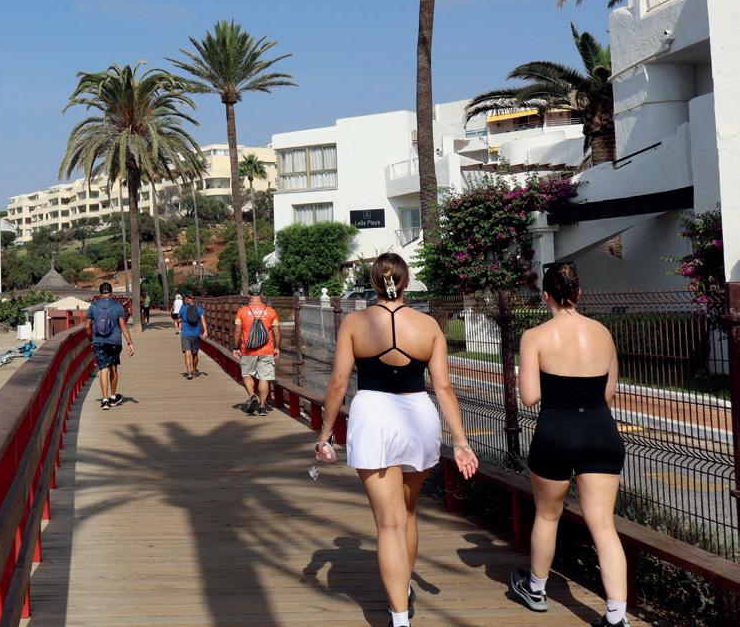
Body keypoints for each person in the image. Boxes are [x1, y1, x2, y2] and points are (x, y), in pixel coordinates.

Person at [316, 253, 478, 627]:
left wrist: (325, 434)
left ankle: (400, 617)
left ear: (374, 282)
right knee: (408, 513)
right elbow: (444, 388)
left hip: (373, 416)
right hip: (417, 416)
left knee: (388, 524)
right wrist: (461, 442)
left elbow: (338, 383)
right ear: (405, 282)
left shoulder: (354, 323)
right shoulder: (428, 326)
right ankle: (403, 588)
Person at [509, 262, 629, 627]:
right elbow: (608, 391)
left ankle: (536, 588)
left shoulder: (534, 337)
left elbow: (529, 396)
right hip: (600, 431)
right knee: (604, 525)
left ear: (545, 295)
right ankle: (616, 616)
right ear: (579, 293)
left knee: (548, 515)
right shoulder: (603, 333)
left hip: (556, 432)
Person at [85, 282, 134, 411]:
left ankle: (105, 400)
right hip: (114, 342)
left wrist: (91, 339)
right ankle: (113, 397)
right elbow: (123, 325)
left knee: (103, 369)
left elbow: (87, 326)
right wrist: (130, 343)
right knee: (113, 368)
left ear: (100, 293)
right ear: (111, 293)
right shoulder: (118, 307)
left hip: (99, 341)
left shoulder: (93, 306)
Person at [233, 293, 280, 416]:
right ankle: (262, 407)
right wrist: (277, 348)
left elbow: (237, 330)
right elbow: (276, 332)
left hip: (248, 350)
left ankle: (252, 395)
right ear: (262, 296)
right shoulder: (270, 311)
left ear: (249, 295)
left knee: (247, 374)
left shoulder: (242, 311)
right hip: (267, 350)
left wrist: (236, 347)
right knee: (264, 378)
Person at [178, 293, 208, 378]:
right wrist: (205, 331)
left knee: (187, 353)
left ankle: (189, 372)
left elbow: (178, 319)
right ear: (194, 300)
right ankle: (194, 369)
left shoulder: (183, 308)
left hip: (185, 334)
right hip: (196, 334)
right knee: (195, 354)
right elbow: (203, 320)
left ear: (188, 299)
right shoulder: (199, 309)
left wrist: (181, 321)